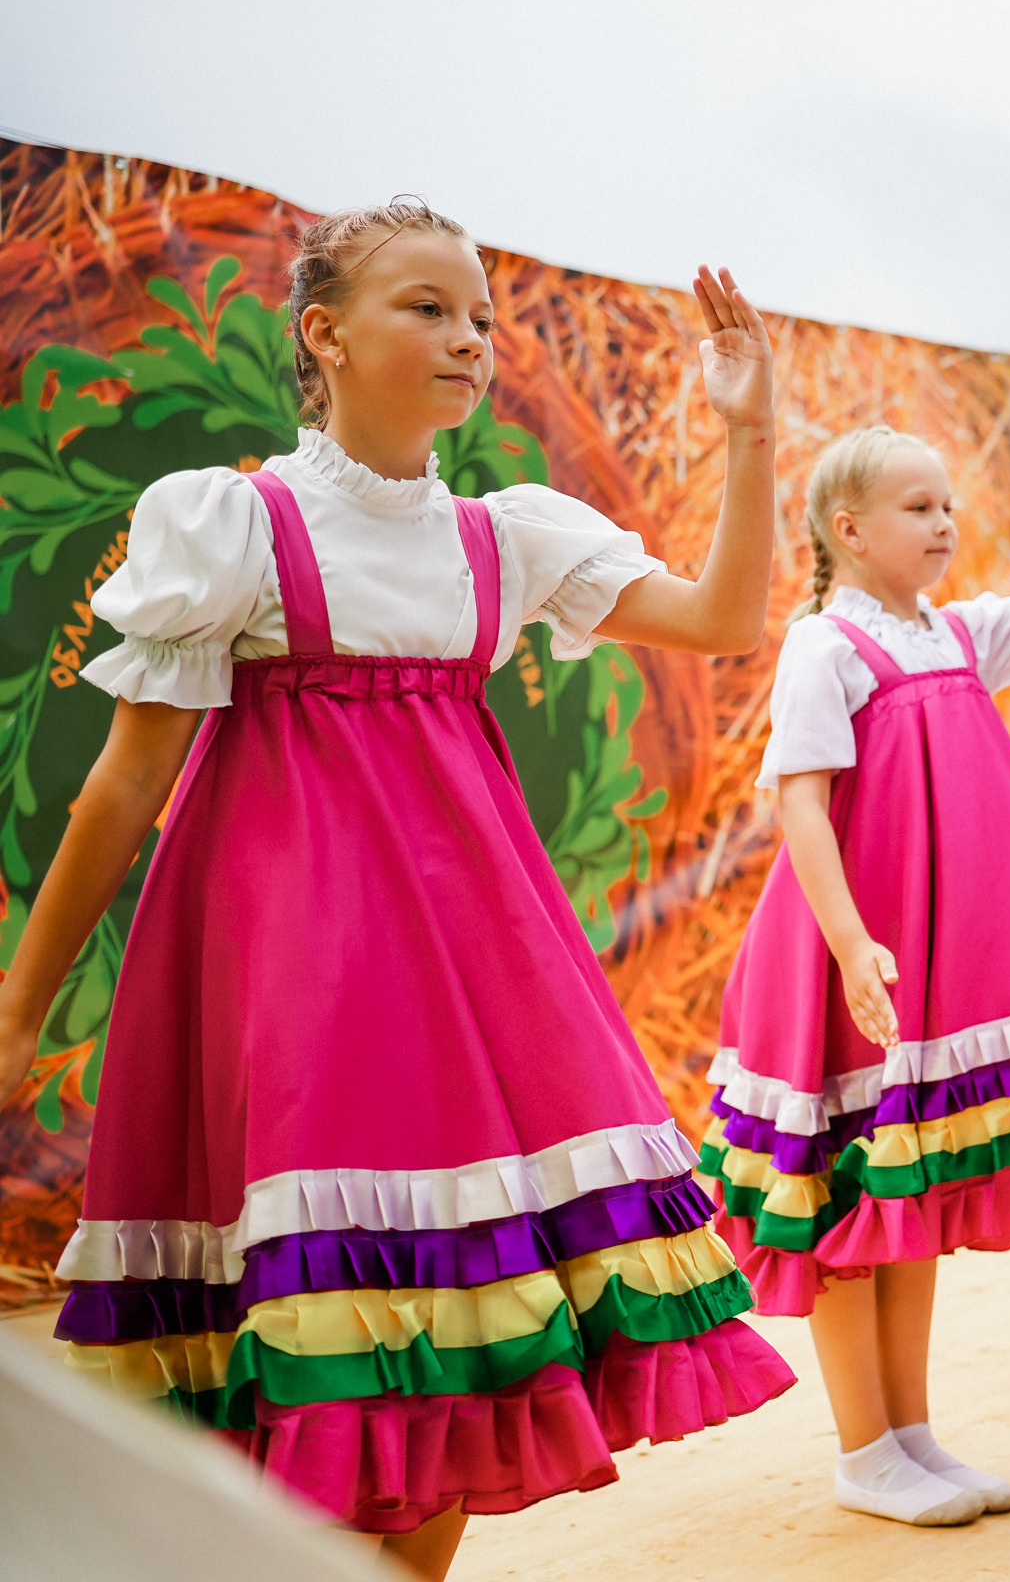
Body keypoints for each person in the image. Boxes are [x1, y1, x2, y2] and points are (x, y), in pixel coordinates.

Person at [0, 200, 795, 1580]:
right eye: (427, 307)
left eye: (480, 315)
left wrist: (748, 434)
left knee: (446, 1359)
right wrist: (21, 1011)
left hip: (471, 972)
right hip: (293, 973)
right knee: (323, 1347)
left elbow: (724, 621)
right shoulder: (235, 526)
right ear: (325, 332)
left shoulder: (506, 538)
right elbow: (120, 791)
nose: (469, 338)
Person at [705, 358, 1010, 1528]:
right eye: (919, 506)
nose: (945, 523)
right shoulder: (828, 649)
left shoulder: (956, 635)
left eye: (948, 504)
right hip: (847, 967)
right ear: (847, 529)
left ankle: (909, 1433)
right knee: (854, 1209)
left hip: (924, 976)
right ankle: (865, 1448)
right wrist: (851, 946)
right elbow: (800, 805)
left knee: (909, 1210)